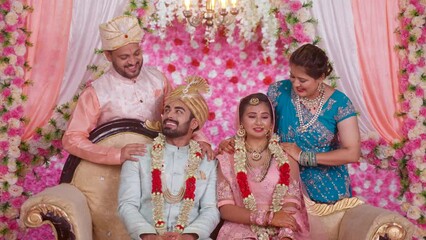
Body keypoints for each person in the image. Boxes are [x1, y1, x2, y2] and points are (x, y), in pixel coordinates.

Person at [62, 15, 213, 165]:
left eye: (137, 54)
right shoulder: (97, 92)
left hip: (158, 162)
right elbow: (72, 138)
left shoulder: (158, 79)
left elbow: (180, 114)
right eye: (124, 57)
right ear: (108, 56)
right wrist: (115, 155)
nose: (133, 61)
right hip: (112, 170)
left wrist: (200, 140)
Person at [118, 76, 220, 240]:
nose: (169, 115)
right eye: (167, 110)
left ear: (194, 124)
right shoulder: (138, 155)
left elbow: (210, 209)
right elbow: (127, 205)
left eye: (178, 112)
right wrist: (150, 236)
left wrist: (189, 236)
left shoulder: (207, 160)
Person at [267, 43, 361, 205]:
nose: (295, 84)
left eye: (303, 80)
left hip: (326, 189)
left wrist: (304, 156)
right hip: (282, 181)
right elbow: (260, 126)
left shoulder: (339, 103)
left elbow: (352, 153)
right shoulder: (278, 92)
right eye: (292, 76)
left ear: (321, 77)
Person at [216, 93, 310, 239]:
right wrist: (266, 218)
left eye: (265, 117)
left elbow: (291, 203)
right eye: (252, 116)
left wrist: (286, 234)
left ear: (272, 123)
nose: (259, 122)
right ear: (241, 122)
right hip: (241, 226)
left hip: (283, 224)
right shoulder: (226, 157)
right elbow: (226, 209)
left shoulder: (286, 155)